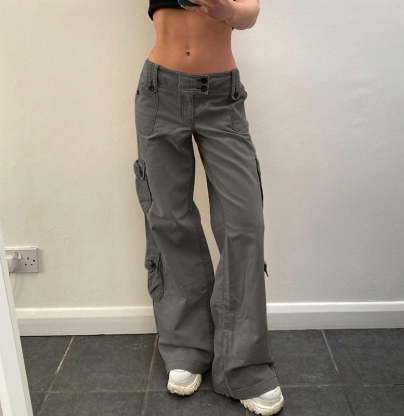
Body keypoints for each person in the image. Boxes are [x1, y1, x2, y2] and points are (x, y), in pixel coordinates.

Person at [132, 1, 284, 414]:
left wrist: (223, 8)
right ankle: (186, 347)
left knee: (244, 225)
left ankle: (244, 365)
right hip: (159, 92)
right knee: (169, 219)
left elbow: (249, 14)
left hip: (221, 97)